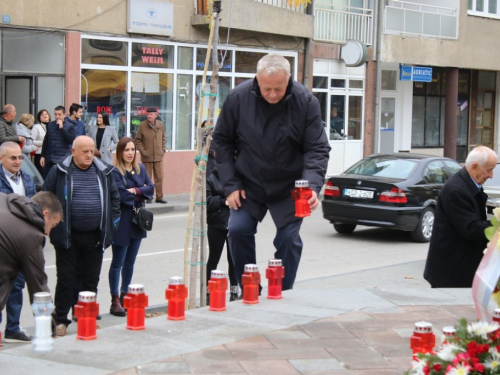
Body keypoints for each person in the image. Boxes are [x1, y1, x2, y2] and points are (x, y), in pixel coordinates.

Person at [212, 54, 331, 291]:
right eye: (267, 88)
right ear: (257, 78)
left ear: (289, 80)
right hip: (249, 182)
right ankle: (250, 288)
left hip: (292, 186)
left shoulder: (306, 101)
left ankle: (282, 292)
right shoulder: (238, 98)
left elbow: (317, 148)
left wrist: (311, 186)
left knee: (288, 240)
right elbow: (222, 142)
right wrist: (231, 185)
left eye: (279, 88)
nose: (273, 94)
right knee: (237, 231)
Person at [43, 135, 120, 336]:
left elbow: (115, 200)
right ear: (73, 152)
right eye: (84, 151)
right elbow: (45, 198)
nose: (89, 155)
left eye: (91, 150)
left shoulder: (104, 171)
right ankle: (61, 321)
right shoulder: (59, 171)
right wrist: (51, 225)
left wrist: (112, 225)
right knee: (66, 280)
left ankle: (87, 317)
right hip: (67, 236)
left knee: (90, 281)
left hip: (95, 236)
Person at [424, 146, 498, 288]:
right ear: (475, 166)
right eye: (489, 170)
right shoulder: (457, 190)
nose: (491, 175)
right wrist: (497, 225)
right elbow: (471, 229)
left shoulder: (468, 184)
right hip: (452, 271)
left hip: (459, 266)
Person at [0, 191, 62, 342]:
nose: (47, 233)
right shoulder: (32, 236)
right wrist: (49, 327)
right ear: (45, 213)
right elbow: (39, 288)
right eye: (52, 225)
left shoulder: (4, 199)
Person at [109, 137, 154, 316]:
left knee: (130, 262)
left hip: (138, 221)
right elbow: (120, 195)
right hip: (121, 221)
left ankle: (125, 294)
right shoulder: (114, 172)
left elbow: (151, 189)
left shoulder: (140, 168)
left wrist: (135, 191)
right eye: (126, 150)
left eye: (132, 150)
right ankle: (115, 300)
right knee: (118, 262)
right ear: (120, 152)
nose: (129, 153)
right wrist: (140, 192)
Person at [0, 141, 38, 342]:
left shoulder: (27, 178)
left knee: (17, 286)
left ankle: (13, 328)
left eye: (20, 158)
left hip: (21, 241)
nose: (17, 161)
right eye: (13, 158)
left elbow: (32, 206)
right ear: (1, 158)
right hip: (2, 242)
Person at [206, 166, 239, 302]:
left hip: (234, 225)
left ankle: (234, 291)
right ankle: (209, 291)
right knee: (214, 259)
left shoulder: (237, 178)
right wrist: (224, 202)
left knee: (233, 260)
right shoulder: (211, 178)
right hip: (217, 225)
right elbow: (206, 201)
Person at [135, 107, 167, 204]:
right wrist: (143, 151)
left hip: (158, 156)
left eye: (151, 114)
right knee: (147, 178)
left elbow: (163, 138)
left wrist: (163, 150)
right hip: (147, 157)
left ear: (156, 115)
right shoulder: (142, 126)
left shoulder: (160, 125)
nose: (149, 116)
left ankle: (159, 197)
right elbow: (137, 140)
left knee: (159, 177)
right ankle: (148, 196)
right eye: (148, 114)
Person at [40, 105, 76, 178]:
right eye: (55, 114)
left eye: (59, 114)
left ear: (64, 115)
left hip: (62, 159)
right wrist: (43, 156)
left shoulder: (70, 126)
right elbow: (46, 141)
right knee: (47, 180)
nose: (57, 116)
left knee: (59, 181)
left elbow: (71, 140)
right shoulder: (50, 125)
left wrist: (62, 128)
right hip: (49, 158)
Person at [32, 109, 50, 175]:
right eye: (42, 115)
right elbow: (32, 141)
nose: (44, 116)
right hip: (40, 154)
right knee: (42, 174)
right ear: (39, 118)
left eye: (46, 114)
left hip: (50, 154)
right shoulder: (36, 127)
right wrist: (43, 143)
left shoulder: (53, 126)